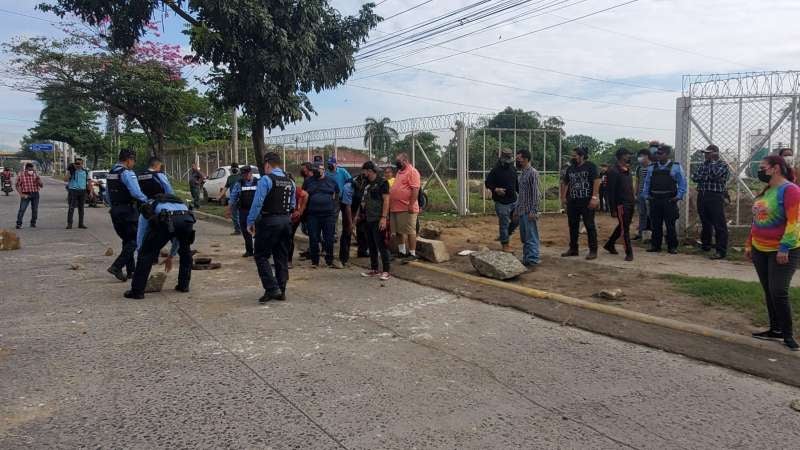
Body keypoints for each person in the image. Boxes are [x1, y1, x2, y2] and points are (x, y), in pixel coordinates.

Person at [746, 155, 800, 351]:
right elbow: (757, 220)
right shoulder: (767, 190)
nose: (760, 171)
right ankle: (775, 329)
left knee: (779, 291)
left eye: (763, 167)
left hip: (782, 250)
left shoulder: (790, 190)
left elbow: (794, 222)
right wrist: (749, 244)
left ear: (775, 168)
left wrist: (784, 247)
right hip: (760, 249)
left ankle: (787, 334)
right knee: (769, 290)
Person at [124, 188, 195, 300]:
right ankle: (184, 286)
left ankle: (137, 291)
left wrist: (141, 250)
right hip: (187, 220)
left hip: (165, 220)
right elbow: (177, 237)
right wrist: (171, 255)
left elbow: (142, 231)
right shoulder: (180, 203)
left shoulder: (150, 205)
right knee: (186, 253)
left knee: (145, 255)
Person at [246, 152, 296, 303]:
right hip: (286, 222)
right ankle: (281, 290)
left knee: (261, 255)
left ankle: (272, 287)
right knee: (281, 256)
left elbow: (258, 203)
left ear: (267, 164)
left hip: (269, 222)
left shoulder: (266, 180)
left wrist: (250, 221)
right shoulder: (290, 182)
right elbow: (293, 204)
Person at [105, 149, 149, 282]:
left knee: (127, 240)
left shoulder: (111, 173)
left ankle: (131, 270)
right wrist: (148, 200)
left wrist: (113, 207)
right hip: (128, 210)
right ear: (128, 159)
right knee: (135, 240)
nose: (133, 164)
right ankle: (116, 266)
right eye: (133, 161)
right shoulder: (127, 173)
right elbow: (136, 193)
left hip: (115, 211)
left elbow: (107, 194)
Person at [642, 144, 688, 254]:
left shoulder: (676, 166)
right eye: (657, 153)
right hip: (655, 199)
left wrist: (678, 197)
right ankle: (655, 245)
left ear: (667, 154)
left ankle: (672, 247)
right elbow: (647, 183)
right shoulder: (652, 167)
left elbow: (682, 183)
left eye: (660, 153)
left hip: (669, 200)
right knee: (655, 224)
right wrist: (646, 195)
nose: (658, 155)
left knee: (670, 225)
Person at [560, 147, 601, 260]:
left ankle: (593, 250)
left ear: (582, 156)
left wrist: (594, 197)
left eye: (575, 155)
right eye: (572, 155)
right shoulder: (571, 168)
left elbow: (597, 181)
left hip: (587, 201)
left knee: (589, 225)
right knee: (573, 225)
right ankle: (573, 249)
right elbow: (565, 182)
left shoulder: (590, 166)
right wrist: (563, 198)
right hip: (573, 201)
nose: (572, 157)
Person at [693, 144, 730, 260]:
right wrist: (708, 175)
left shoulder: (722, 164)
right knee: (705, 222)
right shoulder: (704, 164)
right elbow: (695, 177)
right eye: (705, 153)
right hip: (702, 195)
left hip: (715, 196)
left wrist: (712, 166)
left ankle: (721, 251)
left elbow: (715, 174)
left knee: (719, 224)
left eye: (708, 153)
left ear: (715, 153)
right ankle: (706, 245)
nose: (705, 155)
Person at [304, 161, 342, 268]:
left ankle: (329, 260)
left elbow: (337, 194)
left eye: (319, 169)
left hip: (328, 215)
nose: (316, 171)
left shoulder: (331, 181)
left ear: (323, 170)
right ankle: (314, 261)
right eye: (314, 169)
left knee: (329, 238)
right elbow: (303, 196)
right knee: (313, 238)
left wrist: (335, 207)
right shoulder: (308, 181)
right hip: (312, 215)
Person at [358, 162, 392, 280]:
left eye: (364, 171)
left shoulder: (382, 183)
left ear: (370, 171)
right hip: (367, 218)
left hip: (378, 219)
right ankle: (374, 269)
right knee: (371, 245)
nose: (363, 173)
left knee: (382, 245)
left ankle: (386, 271)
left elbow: (386, 200)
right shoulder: (367, 183)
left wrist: (383, 217)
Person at [603, 148, 635, 261]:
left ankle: (610, 244)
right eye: (627, 155)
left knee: (623, 225)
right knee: (624, 228)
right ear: (621, 156)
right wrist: (612, 208)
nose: (629, 157)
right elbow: (610, 192)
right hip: (621, 204)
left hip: (630, 202)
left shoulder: (627, 170)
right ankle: (629, 252)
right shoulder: (613, 171)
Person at [485, 148, 519, 253]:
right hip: (501, 202)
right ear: (502, 158)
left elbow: (516, 183)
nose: (508, 161)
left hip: (513, 200)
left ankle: (504, 235)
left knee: (517, 220)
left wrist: (521, 193)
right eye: (507, 158)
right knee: (504, 224)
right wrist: (496, 189)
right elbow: (488, 183)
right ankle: (505, 245)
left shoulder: (513, 169)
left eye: (510, 158)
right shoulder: (495, 170)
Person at [389, 152, 421, 261]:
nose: (397, 163)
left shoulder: (412, 172)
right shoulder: (399, 172)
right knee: (398, 231)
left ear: (405, 161)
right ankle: (401, 252)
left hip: (406, 207)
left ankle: (412, 254)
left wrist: (411, 205)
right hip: (395, 207)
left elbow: (415, 189)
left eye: (399, 161)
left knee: (410, 230)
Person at [514, 149, 541, 267]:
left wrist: (533, 210)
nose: (517, 160)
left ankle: (533, 259)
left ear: (525, 159)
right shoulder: (523, 173)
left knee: (531, 236)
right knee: (525, 237)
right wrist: (516, 209)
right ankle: (527, 258)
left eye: (519, 158)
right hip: (522, 210)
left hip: (529, 211)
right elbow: (521, 195)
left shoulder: (532, 173)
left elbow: (536, 193)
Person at [225, 166, 258, 257]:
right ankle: (249, 250)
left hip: (256, 211)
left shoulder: (258, 182)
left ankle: (259, 250)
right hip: (244, 210)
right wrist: (229, 210)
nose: (244, 176)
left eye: (245, 174)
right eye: (242, 174)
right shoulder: (239, 183)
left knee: (258, 231)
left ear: (250, 173)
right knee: (245, 230)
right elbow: (233, 197)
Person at [288, 164, 310, 269]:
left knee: (289, 238)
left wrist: (300, 211)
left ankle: (288, 261)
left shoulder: (296, 189)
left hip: (293, 217)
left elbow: (305, 195)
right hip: (286, 217)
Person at [15, 163, 43, 229]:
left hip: (35, 194)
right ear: (26, 169)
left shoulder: (35, 174)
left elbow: (41, 185)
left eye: (32, 169)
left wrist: (39, 180)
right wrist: (21, 194)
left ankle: (33, 223)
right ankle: (19, 224)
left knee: (35, 210)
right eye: (29, 169)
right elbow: (17, 185)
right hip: (26, 194)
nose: (31, 171)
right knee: (22, 209)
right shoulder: (21, 175)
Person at [633, 148, 652, 241]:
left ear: (647, 156)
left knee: (650, 214)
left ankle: (651, 233)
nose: (639, 158)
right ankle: (641, 233)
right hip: (640, 194)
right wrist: (635, 193)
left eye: (641, 156)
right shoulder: (639, 168)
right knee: (642, 213)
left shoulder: (653, 167)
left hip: (650, 195)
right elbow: (637, 181)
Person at [65, 158, 89, 229]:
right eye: (76, 163)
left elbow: (88, 181)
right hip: (73, 191)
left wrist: (90, 191)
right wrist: (69, 171)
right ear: (74, 164)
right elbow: (65, 179)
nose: (78, 165)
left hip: (82, 191)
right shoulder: (72, 171)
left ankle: (81, 224)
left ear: (82, 164)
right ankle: (69, 224)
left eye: (79, 163)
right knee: (71, 208)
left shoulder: (85, 172)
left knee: (81, 208)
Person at [220, 163, 242, 235]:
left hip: (242, 198)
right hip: (234, 199)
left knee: (240, 215)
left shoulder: (241, 176)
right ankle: (238, 230)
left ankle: (240, 229)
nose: (234, 170)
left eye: (235, 168)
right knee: (235, 215)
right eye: (233, 168)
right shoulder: (230, 178)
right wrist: (220, 195)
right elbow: (226, 187)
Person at [339, 177, 355, 266]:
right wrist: (351, 223)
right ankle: (343, 257)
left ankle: (362, 250)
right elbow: (347, 206)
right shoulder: (348, 187)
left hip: (358, 206)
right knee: (347, 230)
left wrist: (356, 218)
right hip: (346, 205)